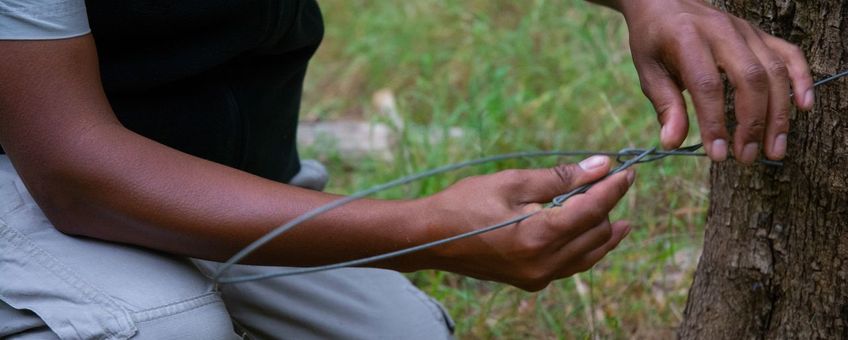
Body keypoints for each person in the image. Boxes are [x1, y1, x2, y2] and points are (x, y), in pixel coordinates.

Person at [0, 0, 814, 338]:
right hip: (34, 171)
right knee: (162, 326)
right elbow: (75, 172)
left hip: (205, 165)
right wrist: (429, 231)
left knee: (402, 333)